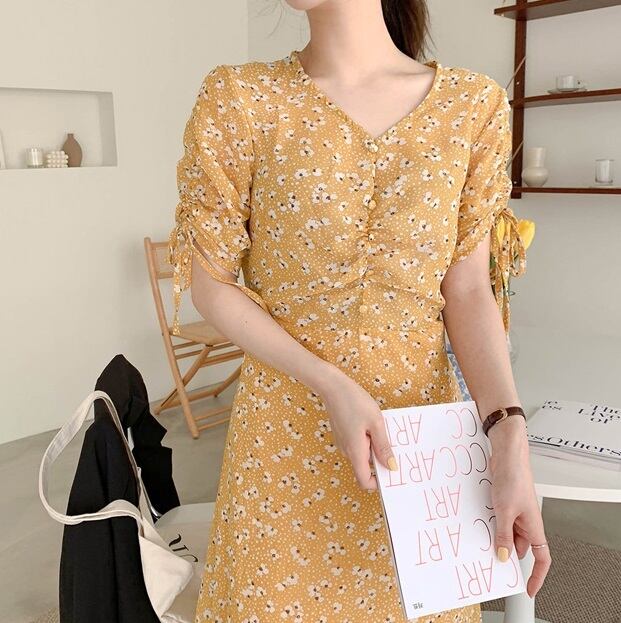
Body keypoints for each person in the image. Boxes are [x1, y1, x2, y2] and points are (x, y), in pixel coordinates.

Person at [167, 1, 551, 620]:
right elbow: (210, 285)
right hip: (284, 445)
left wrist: (508, 434)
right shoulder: (241, 100)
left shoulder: (472, 107)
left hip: (419, 451)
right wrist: (331, 384)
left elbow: (468, 293)